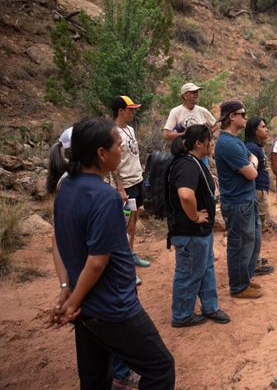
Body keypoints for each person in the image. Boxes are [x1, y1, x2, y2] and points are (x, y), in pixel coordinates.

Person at [48, 117, 174, 389]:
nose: (123, 150)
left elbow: (58, 243)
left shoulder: (66, 187)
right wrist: (72, 301)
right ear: (102, 153)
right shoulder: (103, 196)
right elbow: (97, 261)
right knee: (160, 368)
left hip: (87, 308)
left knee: (94, 378)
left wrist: (67, 289)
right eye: (118, 145)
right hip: (113, 307)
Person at [166, 124, 230, 327]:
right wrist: (194, 217)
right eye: (209, 140)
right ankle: (182, 316)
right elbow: (185, 194)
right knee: (189, 273)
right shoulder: (186, 164)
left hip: (200, 232)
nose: (212, 143)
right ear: (198, 143)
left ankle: (210, 307)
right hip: (190, 231)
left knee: (205, 268)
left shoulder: (193, 161)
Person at [214, 100, 262, 299]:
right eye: (242, 113)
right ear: (231, 117)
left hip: (246, 200)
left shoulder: (235, 141)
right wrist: (252, 163)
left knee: (253, 242)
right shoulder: (227, 143)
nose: (245, 117)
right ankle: (239, 286)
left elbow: (252, 160)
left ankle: (246, 279)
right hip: (237, 203)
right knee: (240, 244)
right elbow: (252, 173)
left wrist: (252, 162)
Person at [111, 96, 150, 272]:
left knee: (133, 219)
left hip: (136, 179)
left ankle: (131, 253)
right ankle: (123, 262)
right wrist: (119, 186)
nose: (133, 112)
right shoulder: (112, 133)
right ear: (121, 111)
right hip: (124, 183)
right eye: (130, 109)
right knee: (123, 223)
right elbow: (113, 163)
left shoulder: (130, 130)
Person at [244, 117, 275, 276]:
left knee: (259, 225)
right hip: (256, 191)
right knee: (256, 227)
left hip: (260, 190)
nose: (266, 129)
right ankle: (253, 263)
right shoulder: (251, 147)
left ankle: (254, 259)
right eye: (263, 127)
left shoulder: (256, 146)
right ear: (255, 130)